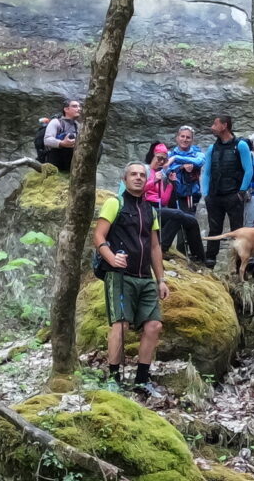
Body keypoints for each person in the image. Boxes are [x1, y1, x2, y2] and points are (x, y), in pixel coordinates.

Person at [92, 162, 170, 393]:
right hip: (119, 275)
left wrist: (161, 280)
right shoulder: (114, 203)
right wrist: (110, 256)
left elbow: (155, 246)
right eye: (133, 174)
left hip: (144, 276)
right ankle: (114, 378)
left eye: (142, 175)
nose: (138, 178)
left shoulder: (151, 210)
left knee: (154, 325)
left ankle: (142, 380)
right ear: (124, 179)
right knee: (121, 325)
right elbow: (98, 235)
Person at [201, 114, 253, 269]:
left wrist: (242, 191)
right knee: (214, 228)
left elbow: (248, 170)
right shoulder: (213, 148)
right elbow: (207, 172)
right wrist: (206, 193)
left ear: (224, 126)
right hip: (215, 196)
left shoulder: (241, 145)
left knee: (237, 231)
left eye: (215, 124)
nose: (212, 127)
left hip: (234, 195)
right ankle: (210, 260)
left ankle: (238, 263)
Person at [165, 125, 204, 215]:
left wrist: (176, 158)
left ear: (192, 140)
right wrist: (180, 167)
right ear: (177, 138)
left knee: (189, 223)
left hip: (190, 195)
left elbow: (199, 162)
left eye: (188, 137)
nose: (185, 139)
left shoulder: (197, 154)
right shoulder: (169, 154)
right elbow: (165, 170)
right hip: (172, 194)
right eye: (182, 136)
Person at [43, 99, 81, 172]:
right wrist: (62, 143)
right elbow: (47, 140)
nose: (79, 109)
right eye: (75, 106)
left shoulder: (78, 126)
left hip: (72, 159)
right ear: (66, 109)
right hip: (56, 160)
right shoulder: (56, 122)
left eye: (79, 107)